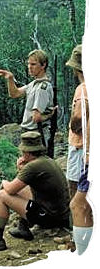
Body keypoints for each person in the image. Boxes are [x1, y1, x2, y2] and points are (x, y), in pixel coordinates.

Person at [0, 131, 70, 251]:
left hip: (50, 217)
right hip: (60, 213)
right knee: (23, 188)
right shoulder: (45, 160)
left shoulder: (33, 167)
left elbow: (10, 189)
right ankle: (23, 227)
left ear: (26, 152)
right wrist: (21, 170)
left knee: (2, 195)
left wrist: (4, 182)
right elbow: (23, 185)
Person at [0, 49, 54, 153]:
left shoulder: (42, 87)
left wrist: (50, 115)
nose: (29, 67)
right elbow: (15, 93)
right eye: (29, 64)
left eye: (33, 64)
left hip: (35, 134)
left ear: (43, 65)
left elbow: (36, 117)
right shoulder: (35, 83)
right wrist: (10, 79)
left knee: (33, 165)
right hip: (29, 132)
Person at [65, 44, 92, 255]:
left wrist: (74, 124)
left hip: (81, 146)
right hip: (87, 148)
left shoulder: (82, 89)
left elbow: (79, 118)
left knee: (76, 196)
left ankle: (79, 243)